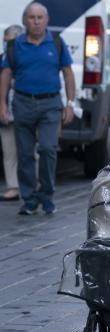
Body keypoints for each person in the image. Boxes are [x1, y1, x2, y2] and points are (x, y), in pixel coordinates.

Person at [0, 2, 75, 215]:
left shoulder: (57, 42)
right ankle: (29, 199)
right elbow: (5, 75)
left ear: (47, 20)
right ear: (25, 21)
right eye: (31, 17)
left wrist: (70, 103)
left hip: (50, 104)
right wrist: (2, 104)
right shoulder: (15, 45)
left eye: (39, 17)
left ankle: (47, 196)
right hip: (23, 103)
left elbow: (68, 73)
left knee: (48, 149)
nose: (35, 21)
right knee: (25, 154)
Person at [0, 25, 23, 202]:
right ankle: (13, 187)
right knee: (9, 152)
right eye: (4, 41)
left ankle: (34, 184)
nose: (6, 45)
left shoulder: (25, 59)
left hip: (26, 112)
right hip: (6, 113)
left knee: (30, 151)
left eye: (10, 42)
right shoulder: (1, 60)